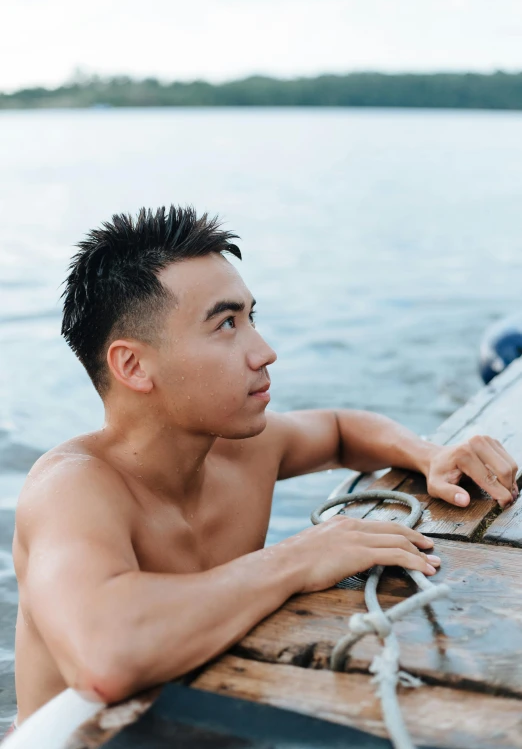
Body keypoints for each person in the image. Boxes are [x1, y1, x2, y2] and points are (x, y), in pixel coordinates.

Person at [12, 206, 519, 725]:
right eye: (226, 323)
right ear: (133, 365)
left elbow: (341, 429)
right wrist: (295, 559)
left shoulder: (239, 447)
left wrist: (429, 455)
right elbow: (105, 658)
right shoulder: (72, 489)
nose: (266, 352)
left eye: (252, 318)